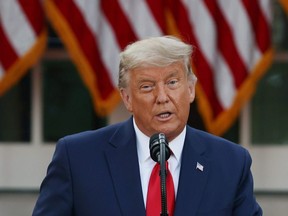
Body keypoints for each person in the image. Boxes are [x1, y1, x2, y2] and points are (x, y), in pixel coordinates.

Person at [32, 36, 262, 216]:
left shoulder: (231, 163)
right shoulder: (77, 158)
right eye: (147, 86)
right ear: (127, 98)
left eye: (172, 82)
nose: (162, 97)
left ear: (190, 89)